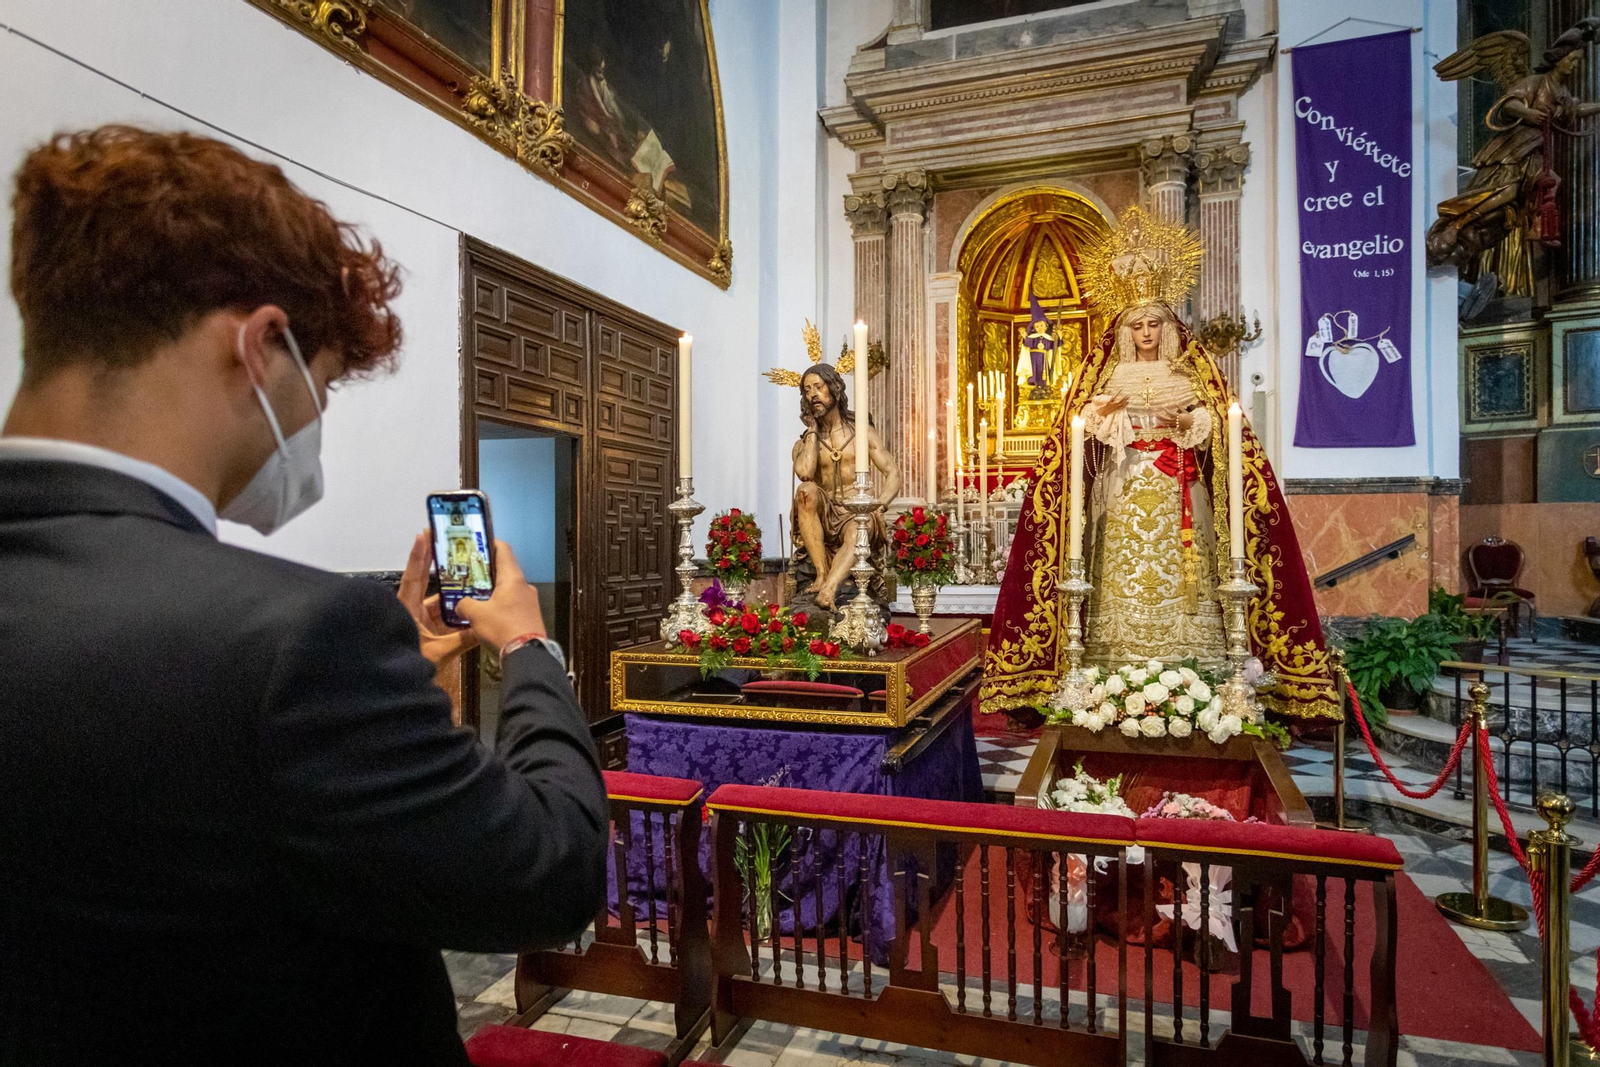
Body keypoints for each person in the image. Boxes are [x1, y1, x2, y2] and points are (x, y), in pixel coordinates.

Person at [0, 126, 609, 1064]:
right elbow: (549, 872)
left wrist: (394, 677)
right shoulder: (301, 639)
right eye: (320, 387)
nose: (314, 425)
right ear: (262, 346)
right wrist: (529, 643)